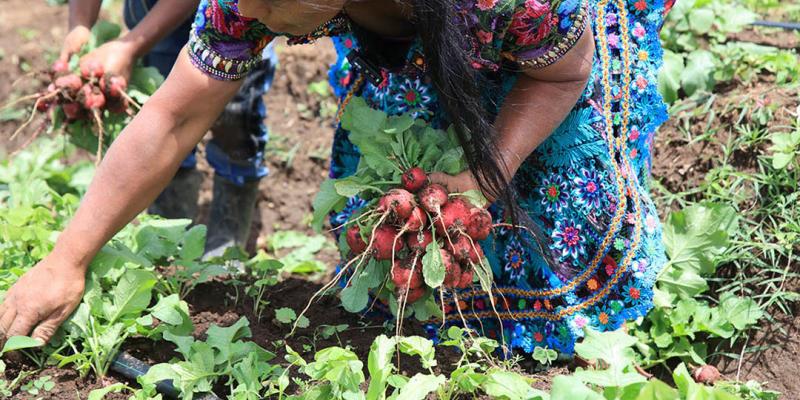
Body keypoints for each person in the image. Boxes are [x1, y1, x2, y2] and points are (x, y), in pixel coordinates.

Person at [0, 0, 675, 356]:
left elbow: (560, 71)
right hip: (413, 28)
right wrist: (68, 257)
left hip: (553, 49)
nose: (242, 10)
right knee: (396, 196)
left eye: (267, 2)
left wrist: (478, 179)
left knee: (556, 188)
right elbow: (173, 120)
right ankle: (449, 328)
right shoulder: (247, 2)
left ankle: (562, 335)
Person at [59, 0, 279, 256]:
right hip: (153, 13)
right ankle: (168, 227)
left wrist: (130, 47)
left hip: (238, 17)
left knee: (236, 115)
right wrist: (80, 25)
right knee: (163, 105)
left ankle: (228, 232)